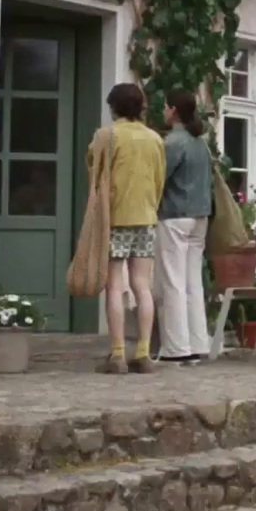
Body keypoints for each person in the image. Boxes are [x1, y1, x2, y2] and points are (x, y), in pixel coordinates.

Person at [90, 82, 165, 374]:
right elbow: (159, 180)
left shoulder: (106, 136)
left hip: (115, 218)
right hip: (146, 217)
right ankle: (144, 353)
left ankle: (117, 354)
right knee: (142, 285)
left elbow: (93, 171)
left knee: (115, 285)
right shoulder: (155, 139)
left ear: (113, 107)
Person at [155, 89, 214, 364]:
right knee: (193, 282)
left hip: (175, 215)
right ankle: (199, 343)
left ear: (174, 111)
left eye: (166, 107)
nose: (164, 111)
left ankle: (176, 348)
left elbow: (159, 179)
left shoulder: (173, 142)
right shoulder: (200, 142)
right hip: (200, 216)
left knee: (173, 282)